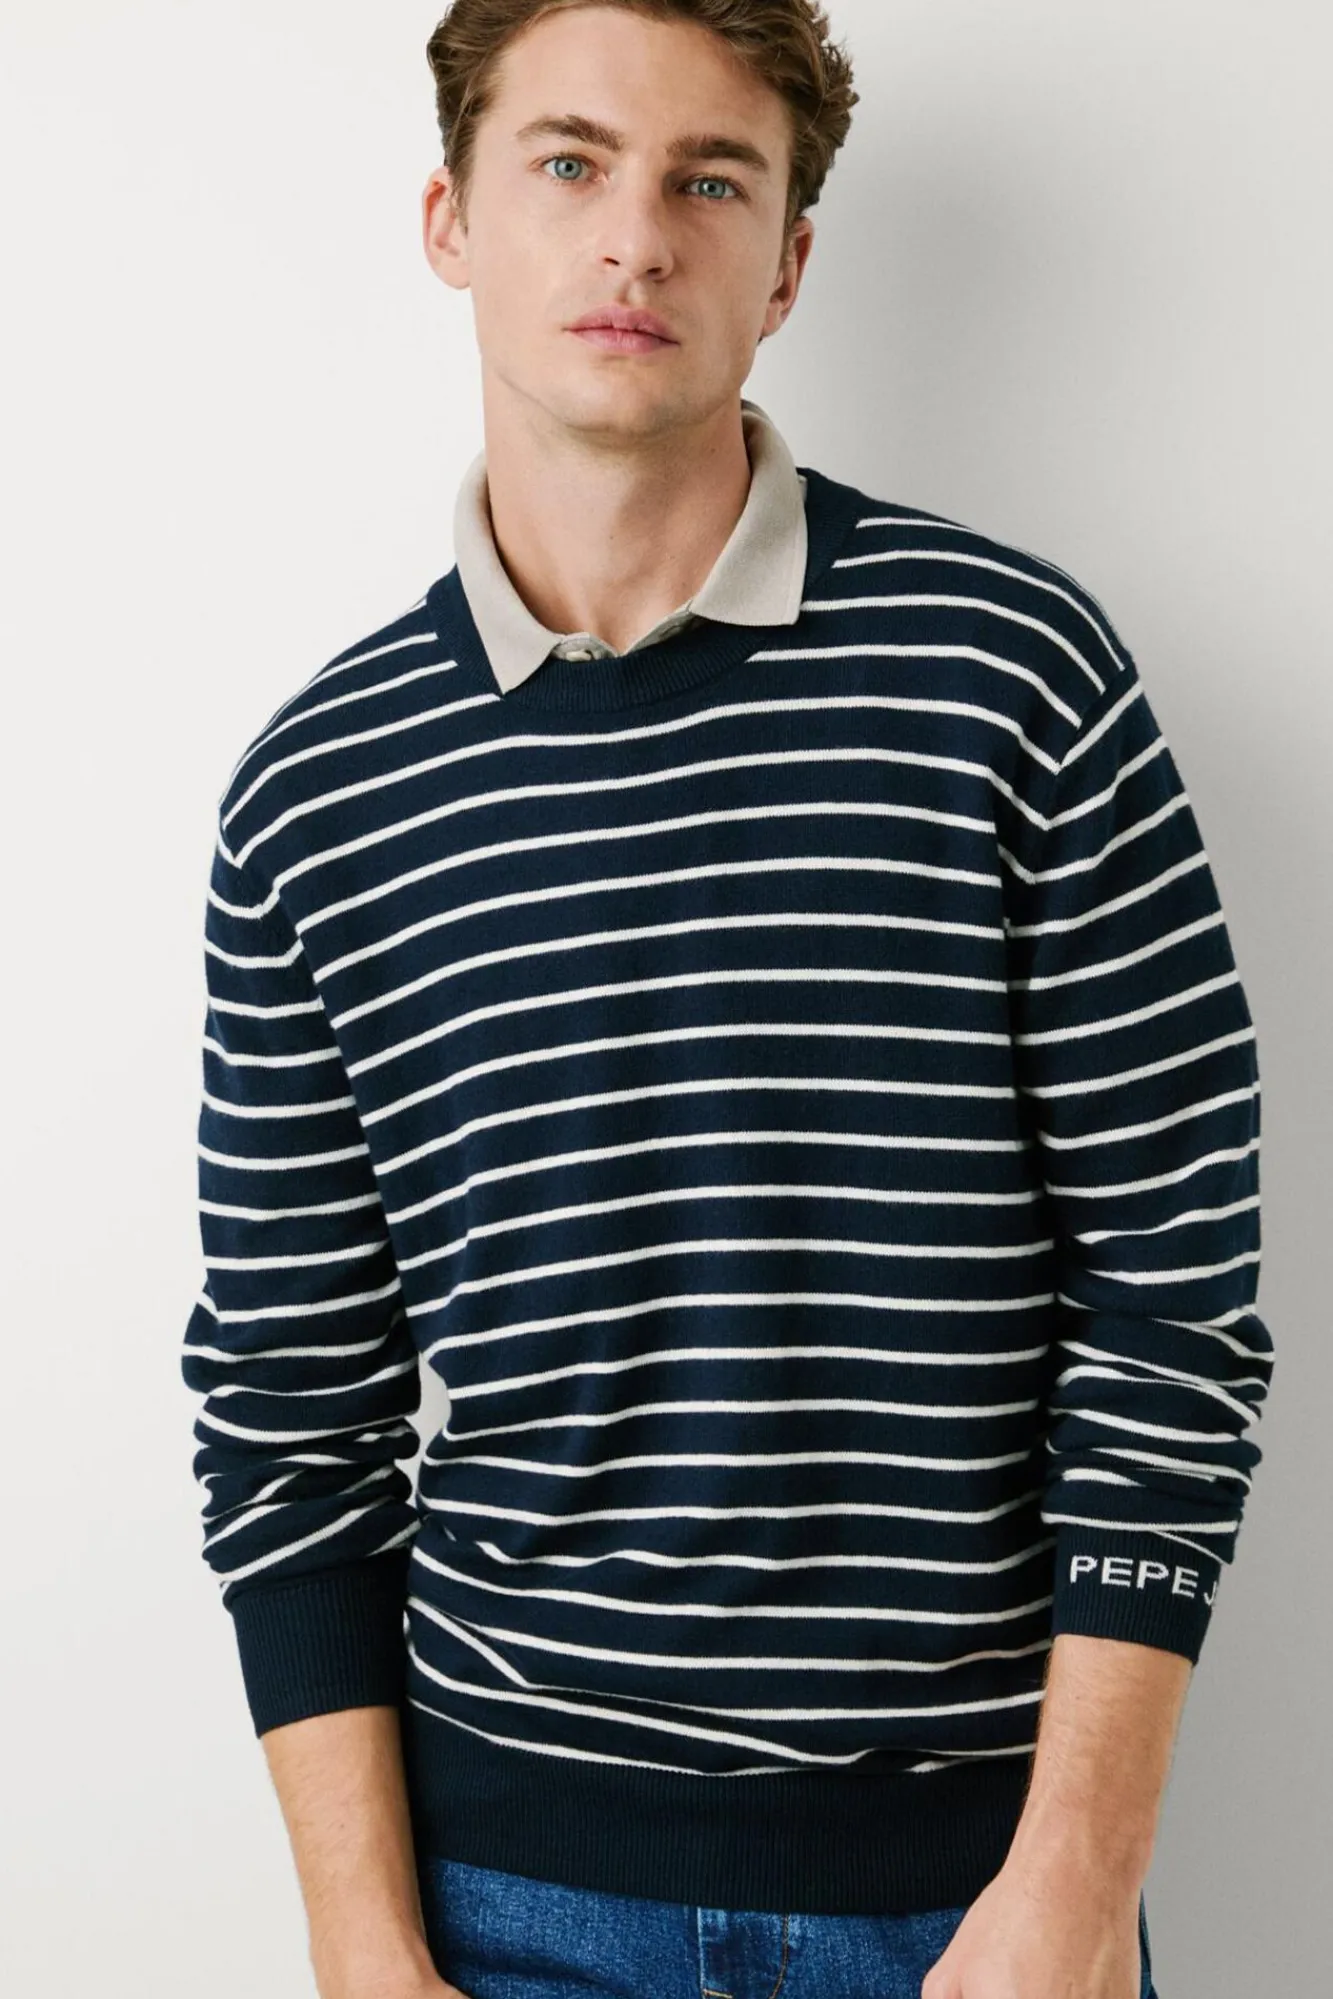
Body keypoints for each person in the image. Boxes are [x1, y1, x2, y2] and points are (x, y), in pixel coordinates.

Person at [179, 4, 1275, 1996]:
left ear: (786, 263)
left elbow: (1172, 1308)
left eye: (711, 179)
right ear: (450, 219)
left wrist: (1074, 1880)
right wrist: (360, 1937)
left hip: (971, 1902)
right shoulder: (319, 793)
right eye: (569, 162)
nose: (635, 237)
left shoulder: (1012, 678)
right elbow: (286, 1411)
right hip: (500, 1905)